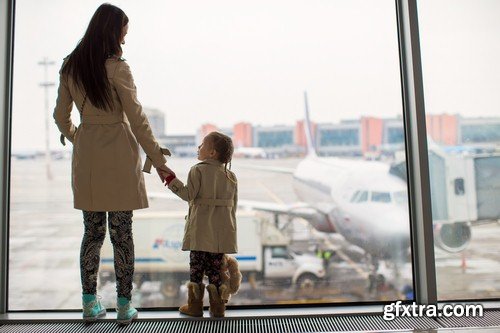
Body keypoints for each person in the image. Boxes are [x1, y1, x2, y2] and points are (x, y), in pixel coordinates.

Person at [53, 4, 170, 325]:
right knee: (122, 234)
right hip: (119, 154)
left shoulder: (69, 66)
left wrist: (80, 137)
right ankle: (123, 306)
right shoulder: (118, 67)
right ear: (112, 31)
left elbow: (60, 118)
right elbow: (138, 118)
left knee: (92, 234)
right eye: (123, 31)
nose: (124, 38)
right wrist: (158, 159)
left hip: (87, 155)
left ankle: (90, 304)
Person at [160, 132, 238, 318]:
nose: (198, 148)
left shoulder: (198, 170)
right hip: (220, 236)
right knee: (215, 273)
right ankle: (218, 308)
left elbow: (188, 195)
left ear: (212, 153)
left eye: (202, 145)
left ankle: (194, 307)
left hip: (200, 233)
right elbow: (232, 209)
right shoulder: (231, 176)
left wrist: (170, 180)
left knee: (196, 271)